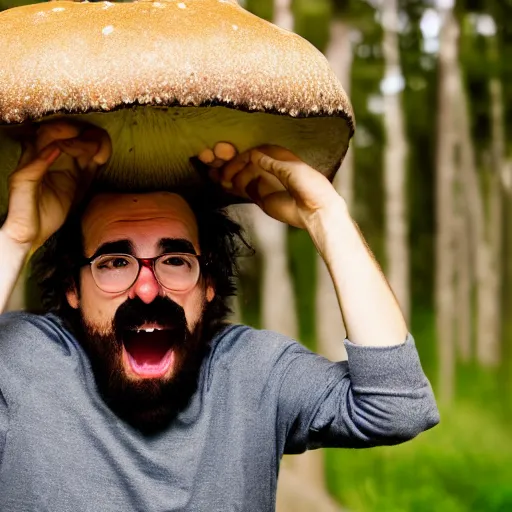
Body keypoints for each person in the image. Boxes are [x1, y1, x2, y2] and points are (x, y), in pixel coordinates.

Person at [0, 121, 439, 511]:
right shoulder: (24, 360)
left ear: (208, 285)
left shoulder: (253, 371)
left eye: (175, 260)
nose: (148, 290)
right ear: (73, 290)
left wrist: (326, 216)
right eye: (115, 263)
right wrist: (17, 238)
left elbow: (396, 405)